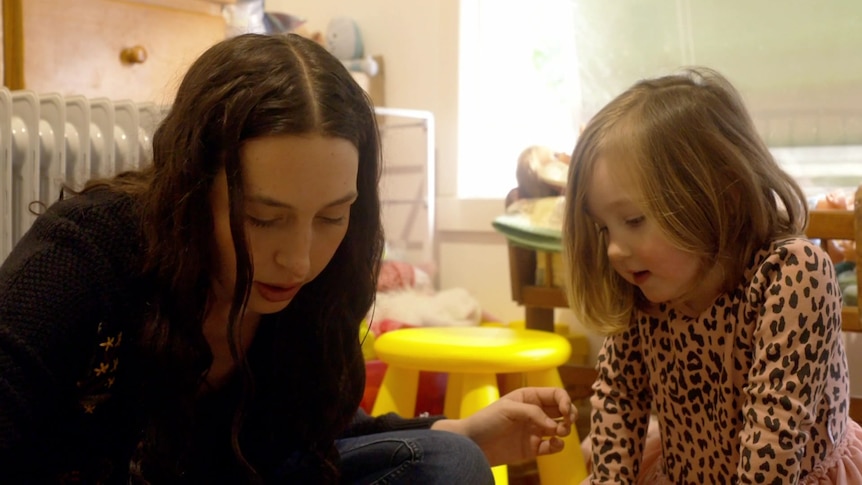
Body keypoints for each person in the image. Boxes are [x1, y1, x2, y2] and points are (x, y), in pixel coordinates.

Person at [0, 33, 577, 483]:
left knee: (450, 461)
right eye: (263, 218)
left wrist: (460, 429)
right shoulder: (88, 250)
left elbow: (312, 431)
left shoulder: (322, 285)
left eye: (332, 216)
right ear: (192, 188)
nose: (299, 261)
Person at [562, 67, 862, 484]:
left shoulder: (792, 274)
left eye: (632, 220)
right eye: (604, 229)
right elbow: (619, 397)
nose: (613, 249)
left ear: (723, 195)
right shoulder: (644, 284)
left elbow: (773, 445)